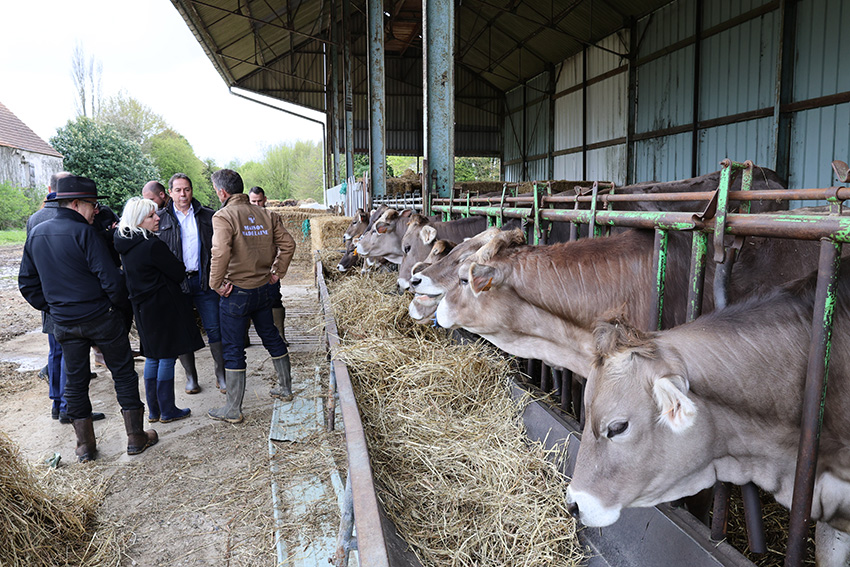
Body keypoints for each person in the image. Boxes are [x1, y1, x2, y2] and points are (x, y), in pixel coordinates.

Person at [18, 175, 157, 462]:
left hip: (65, 322)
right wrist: (116, 310)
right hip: (99, 316)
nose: (96, 210)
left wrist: (55, 307)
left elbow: (27, 284)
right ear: (77, 203)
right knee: (123, 374)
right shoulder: (86, 234)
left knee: (75, 381)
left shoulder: (37, 233)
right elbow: (111, 280)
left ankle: (85, 447)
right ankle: (135, 437)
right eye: (93, 204)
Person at [208, 169, 296, 424]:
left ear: (222, 192)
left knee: (234, 348)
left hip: (236, 292)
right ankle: (285, 388)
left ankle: (233, 409)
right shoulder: (267, 214)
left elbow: (221, 252)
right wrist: (276, 272)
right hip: (263, 289)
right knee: (270, 335)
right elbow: (288, 245)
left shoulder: (223, 216)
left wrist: (215, 283)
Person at [25, 171, 106, 424]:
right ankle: (71, 407)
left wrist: (46, 303)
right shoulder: (78, 221)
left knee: (57, 353)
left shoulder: (35, 218)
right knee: (75, 359)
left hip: (52, 303)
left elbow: (30, 271)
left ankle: (58, 403)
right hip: (77, 304)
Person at [114, 198, 204, 423]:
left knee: (153, 356)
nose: (157, 218)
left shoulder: (125, 244)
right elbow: (177, 271)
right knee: (166, 357)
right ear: (139, 220)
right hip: (163, 306)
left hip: (142, 308)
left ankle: (154, 411)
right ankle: (167, 409)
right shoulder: (152, 245)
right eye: (151, 216)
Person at [156, 173, 226, 394]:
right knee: (183, 330)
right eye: (178, 190)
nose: (183, 194)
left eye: (186, 189)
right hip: (177, 283)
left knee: (215, 328)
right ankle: (191, 378)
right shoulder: (160, 219)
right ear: (170, 193)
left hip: (204, 280)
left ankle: (221, 375)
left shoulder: (208, 216)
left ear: (192, 190)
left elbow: (221, 249)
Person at [247, 186, 287, 343]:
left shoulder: (273, 217)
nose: (257, 205)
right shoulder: (242, 219)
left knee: (275, 298)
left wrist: (277, 269)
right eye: (253, 201)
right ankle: (244, 338)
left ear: (265, 200)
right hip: (247, 269)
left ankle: (280, 336)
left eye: (259, 201)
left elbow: (283, 244)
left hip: (268, 268)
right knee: (245, 302)